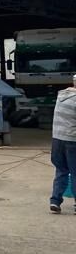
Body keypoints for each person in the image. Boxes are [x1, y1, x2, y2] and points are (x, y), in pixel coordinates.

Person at [49, 75, 76, 213]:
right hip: (72, 141)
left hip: (57, 139)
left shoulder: (62, 97)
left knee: (61, 170)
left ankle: (55, 201)